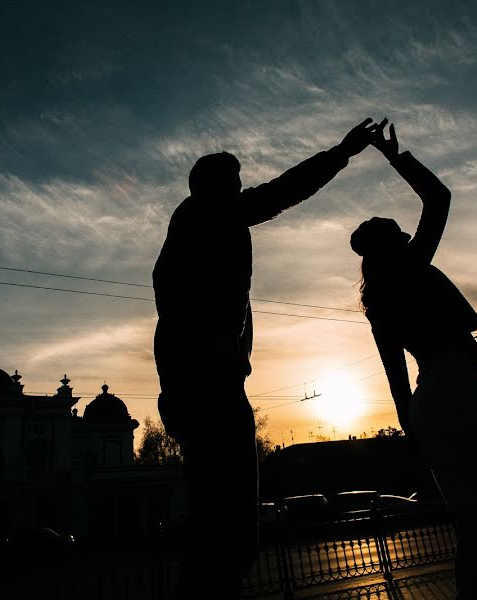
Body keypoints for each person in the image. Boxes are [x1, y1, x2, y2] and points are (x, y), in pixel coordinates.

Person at [153, 119, 378, 599]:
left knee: (220, 522)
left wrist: (173, 387)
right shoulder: (205, 220)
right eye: (232, 184)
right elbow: (282, 192)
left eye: (239, 184)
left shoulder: (198, 226)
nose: (240, 192)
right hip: (208, 386)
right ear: (210, 188)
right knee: (229, 525)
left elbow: (282, 191)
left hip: (201, 385)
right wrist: (342, 153)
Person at [349, 120, 477, 599]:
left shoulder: (378, 303)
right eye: (399, 232)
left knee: (474, 529)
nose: (407, 234)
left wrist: (415, 428)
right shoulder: (411, 267)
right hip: (450, 391)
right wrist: (396, 157)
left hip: (426, 405)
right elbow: (439, 199)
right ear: (395, 244)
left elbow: (396, 378)